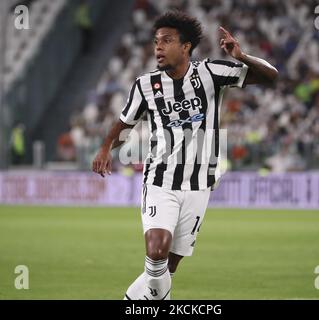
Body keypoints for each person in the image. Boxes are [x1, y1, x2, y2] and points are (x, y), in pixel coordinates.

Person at [92, 11, 278, 300]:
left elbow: (270, 77)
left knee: (169, 267)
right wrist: (105, 148)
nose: (158, 47)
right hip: (160, 181)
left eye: (166, 41)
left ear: (186, 47)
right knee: (155, 254)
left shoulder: (211, 73)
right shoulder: (145, 85)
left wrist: (241, 56)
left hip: (199, 185)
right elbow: (124, 123)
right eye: (156, 41)